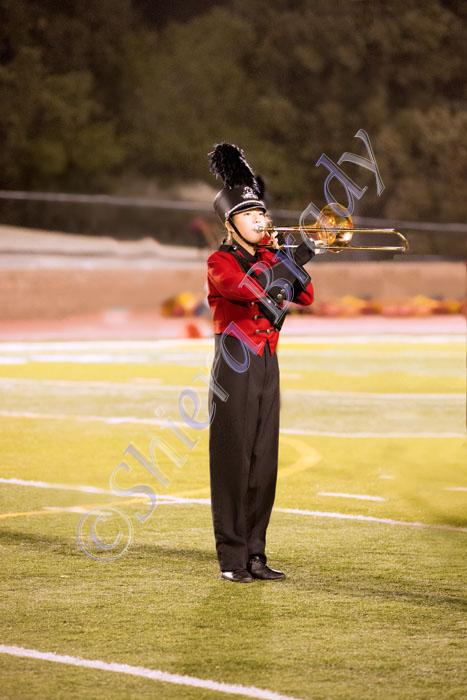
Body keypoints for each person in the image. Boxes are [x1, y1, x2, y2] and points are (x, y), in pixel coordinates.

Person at [206, 143, 315, 583]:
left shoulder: (272, 258)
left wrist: (287, 255)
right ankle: (232, 559)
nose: (260, 220)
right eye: (249, 214)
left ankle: (256, 555)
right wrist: (289, 259)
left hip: (268, 364)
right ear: (230, 224)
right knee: (233, 463)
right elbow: (249, 289)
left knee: (263, 462)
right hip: (234, 368)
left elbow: (307, 295)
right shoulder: (220, 261)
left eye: (262, 214)